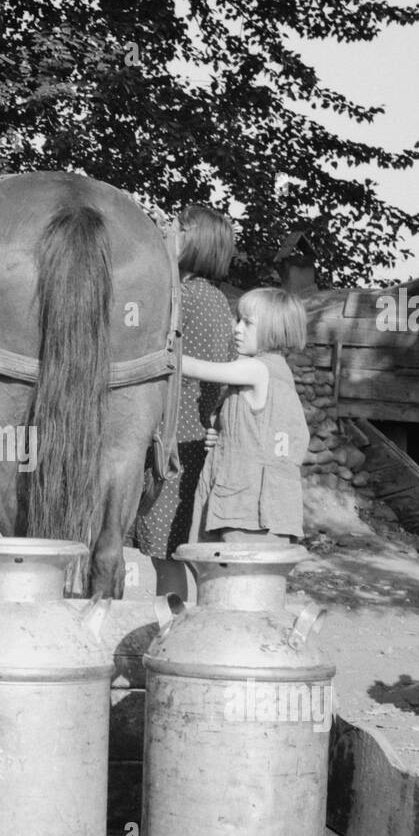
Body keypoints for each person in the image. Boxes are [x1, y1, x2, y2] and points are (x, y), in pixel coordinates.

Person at [133, 205, 236, 597]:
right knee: (184, 551)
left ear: (197, 243)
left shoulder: (184, 298)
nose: (168, 235)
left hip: (174, 440)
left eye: (178, 229)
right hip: (195, 440)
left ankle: (173, 633)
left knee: (169, 556)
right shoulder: (217, 301)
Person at [182, 287, 309, 543]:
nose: (237, 328)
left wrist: (161, 353)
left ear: (272, 330)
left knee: (239, 578)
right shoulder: (277, 374)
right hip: (252, 507)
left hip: (247, 511)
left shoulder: (257, 369)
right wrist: (223, 436)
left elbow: (196, 368)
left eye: (246, 323)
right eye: (237, 320)